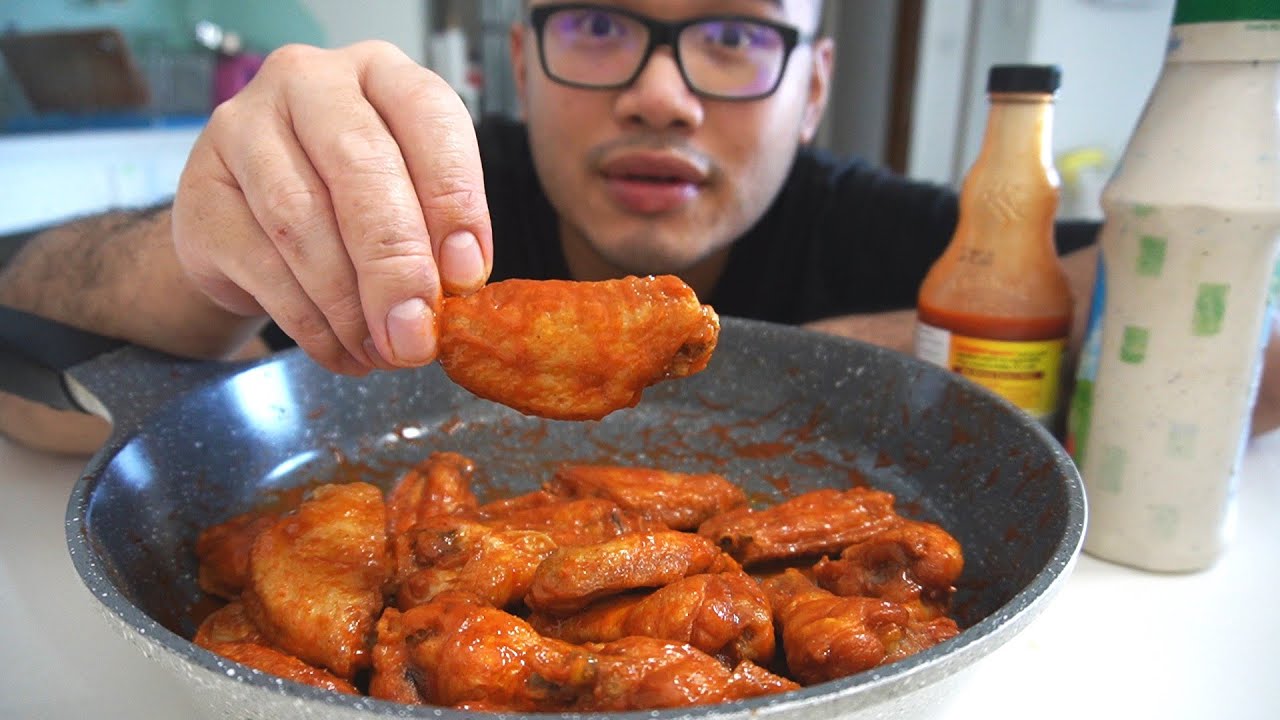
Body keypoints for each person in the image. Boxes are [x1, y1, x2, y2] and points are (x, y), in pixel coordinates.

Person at [1, 0, 1276, 455]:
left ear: (812, 88)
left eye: (732, 36)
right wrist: (191, 259)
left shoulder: (897, 233)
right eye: (599, 24)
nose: (660, 94)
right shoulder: (405, 202)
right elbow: (24, 325)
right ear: (520, 59)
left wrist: (872, 340)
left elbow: (1198, 296)